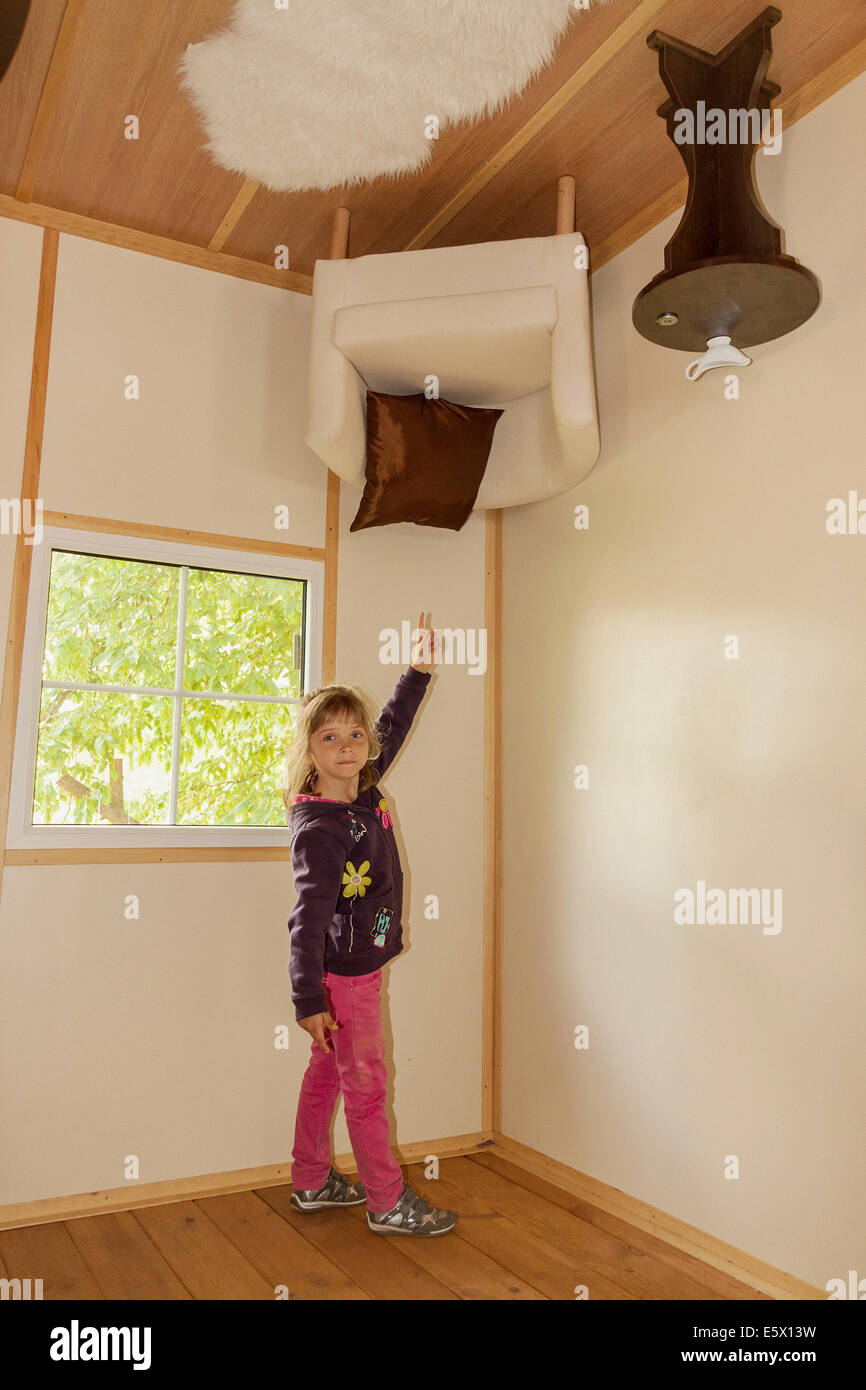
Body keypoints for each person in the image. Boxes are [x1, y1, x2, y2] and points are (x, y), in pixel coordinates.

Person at [282, 611, 457, 1236]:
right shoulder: (323, 827)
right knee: (367, 1085)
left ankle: (311, 1180)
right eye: (330, 738)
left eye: (354, 735)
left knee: (327, 1072)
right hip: (345, 978)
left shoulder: (361, 790)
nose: (348, 745)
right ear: (309, 751)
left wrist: (417, 671)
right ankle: (387, 1200)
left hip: (355, 969)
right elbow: (306, 920)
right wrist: (308, 998)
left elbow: (393, 726)